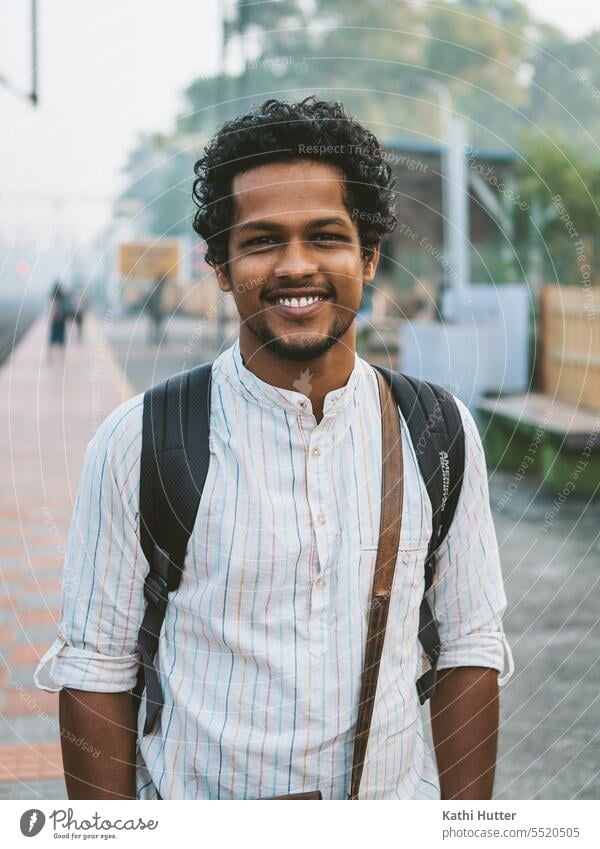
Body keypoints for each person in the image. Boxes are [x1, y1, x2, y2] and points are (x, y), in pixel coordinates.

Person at [35, 98, 513, 800]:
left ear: (369, 254)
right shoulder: (138, 441)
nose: (296, 266)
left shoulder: (437, 430)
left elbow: (469, 647)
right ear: (223, 265)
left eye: (325, 236)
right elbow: (96, 673)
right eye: (262, 241)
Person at [48, 281, 67, 361]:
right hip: (61, 319)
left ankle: (50, 355)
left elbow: (51, 309)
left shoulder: (53, 296)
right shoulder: (62, 296)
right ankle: (62, 356)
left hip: (55, 320)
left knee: (52, 338)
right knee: (61, 338)